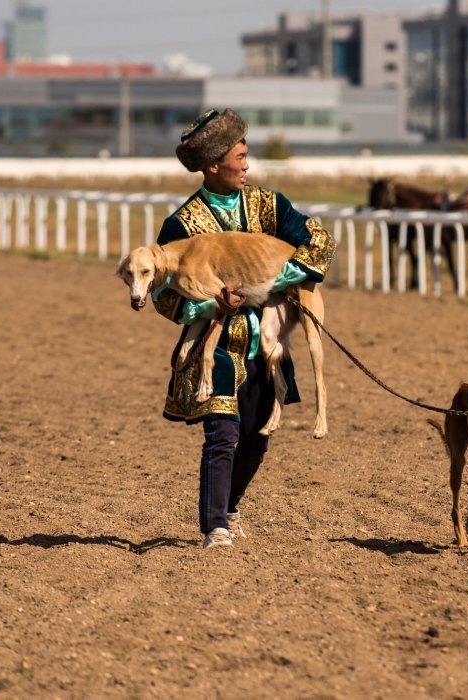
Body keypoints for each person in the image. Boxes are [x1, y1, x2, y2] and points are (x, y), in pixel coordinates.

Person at [153, 108, 335, 550]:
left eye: (247, 154)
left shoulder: (270, 205)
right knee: (223, 434)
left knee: (256, 438)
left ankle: (230, 505)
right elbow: (162, 296)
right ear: (214, 164)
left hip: (269, 341)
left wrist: (283, 278)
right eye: (241, 155)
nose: (247, 164)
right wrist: (210, 302)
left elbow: (319, 240)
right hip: (217, 345)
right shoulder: (181, 225)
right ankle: (215, 526)